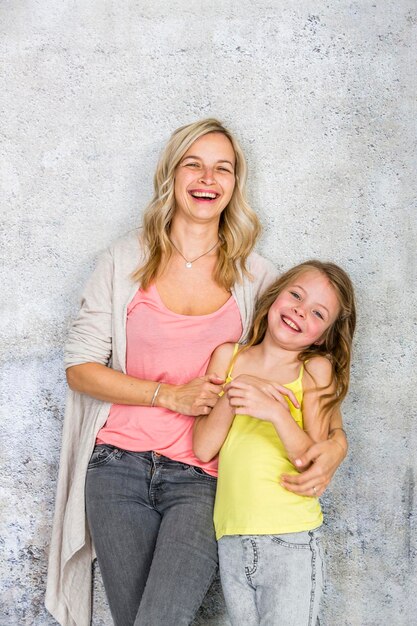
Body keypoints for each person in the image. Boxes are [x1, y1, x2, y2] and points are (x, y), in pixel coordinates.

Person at [45, 119, 348, 626]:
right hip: (114, 469)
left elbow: (298, 371)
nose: (207, 178)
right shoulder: (124, 261)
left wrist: (335, 445)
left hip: (202, 477)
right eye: (194, 163)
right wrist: (168, 396)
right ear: (172, 173)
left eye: (222, 168)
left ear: (234, 184)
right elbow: (79, 369)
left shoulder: (258, 277)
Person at [193, 260, 356, 626]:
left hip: (291, 539)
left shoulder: (314, 369)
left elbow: (312, 461)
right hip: (232, 536)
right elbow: (203, 448)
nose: (300, 310)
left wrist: (277, 412)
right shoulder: (228, 357)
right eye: (295, 295)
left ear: (321, 336)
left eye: (318, 313)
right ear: (274, 296)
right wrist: (237, 391)